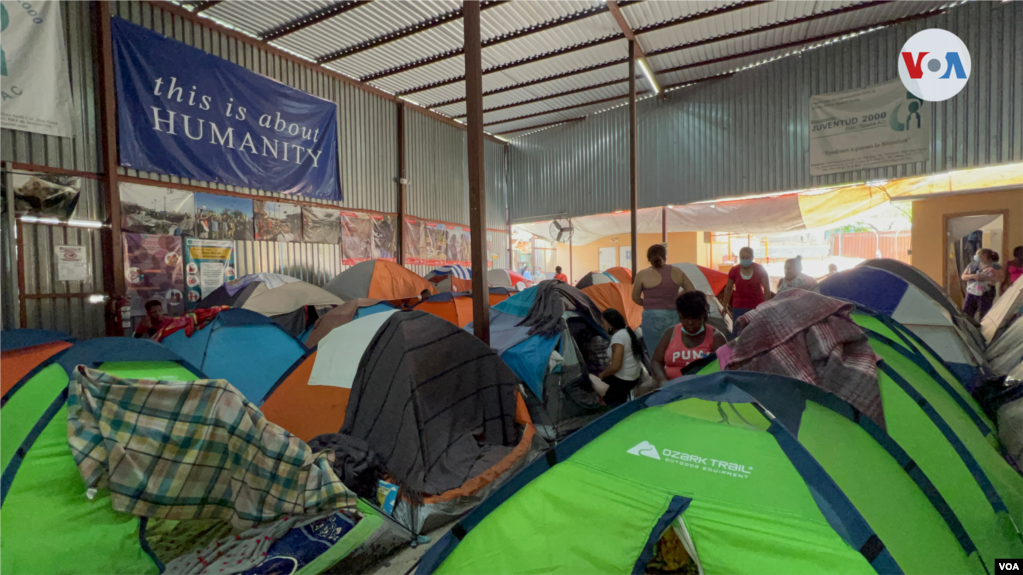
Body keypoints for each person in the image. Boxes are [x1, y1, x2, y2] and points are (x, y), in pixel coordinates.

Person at [632, 244, 696, 353]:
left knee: (655, 353)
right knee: (673, 351)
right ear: (665, 256)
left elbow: (635, 297)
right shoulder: (677, 271)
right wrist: (676, 298)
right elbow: (691, 290)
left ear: (648, 258)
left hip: (652, 316)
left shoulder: (643, 274)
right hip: (674, 314)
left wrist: (650, 303)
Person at [652, 291, 727, 383]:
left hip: (702, 387)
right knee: (644, 389)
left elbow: (723, 371)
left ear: (703, 316)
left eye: (694, 318)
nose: (690, 323)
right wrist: (663, 380)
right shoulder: (670, 333)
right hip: (670, 386)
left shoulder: (716, 337)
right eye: (685, 318)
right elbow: (656, 361)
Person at [596, 309, 645, 407]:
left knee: (593, 381)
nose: (602, 325)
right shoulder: (627, 331)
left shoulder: (618, 338)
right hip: (634, 376)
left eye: (603, 322)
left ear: (611, 324)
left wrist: (602, 375)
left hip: (623, 379)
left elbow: (616, 366)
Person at [721, 247, 772, 334]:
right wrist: (724, 305)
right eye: (742, 257)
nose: (745, 259)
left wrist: (766, 306)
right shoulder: (734, 271)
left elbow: (767, 289)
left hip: (757, 307)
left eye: (747, 257)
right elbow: (728, 288)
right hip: (738, 307)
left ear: (752, 257)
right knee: (738, 333)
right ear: (739, 257)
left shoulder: (760, 269)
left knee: (756, 332)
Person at [962, 248, 1003, 320]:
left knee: (983, 313)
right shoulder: (972, 265)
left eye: (979, 254)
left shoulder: (995, 266)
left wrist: (988, 279)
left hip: (987, 292)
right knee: (967, 313)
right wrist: (974, 276)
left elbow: (1001, 278)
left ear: (985, 255)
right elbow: (963, 276)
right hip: (972, 292)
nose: (977, 256)